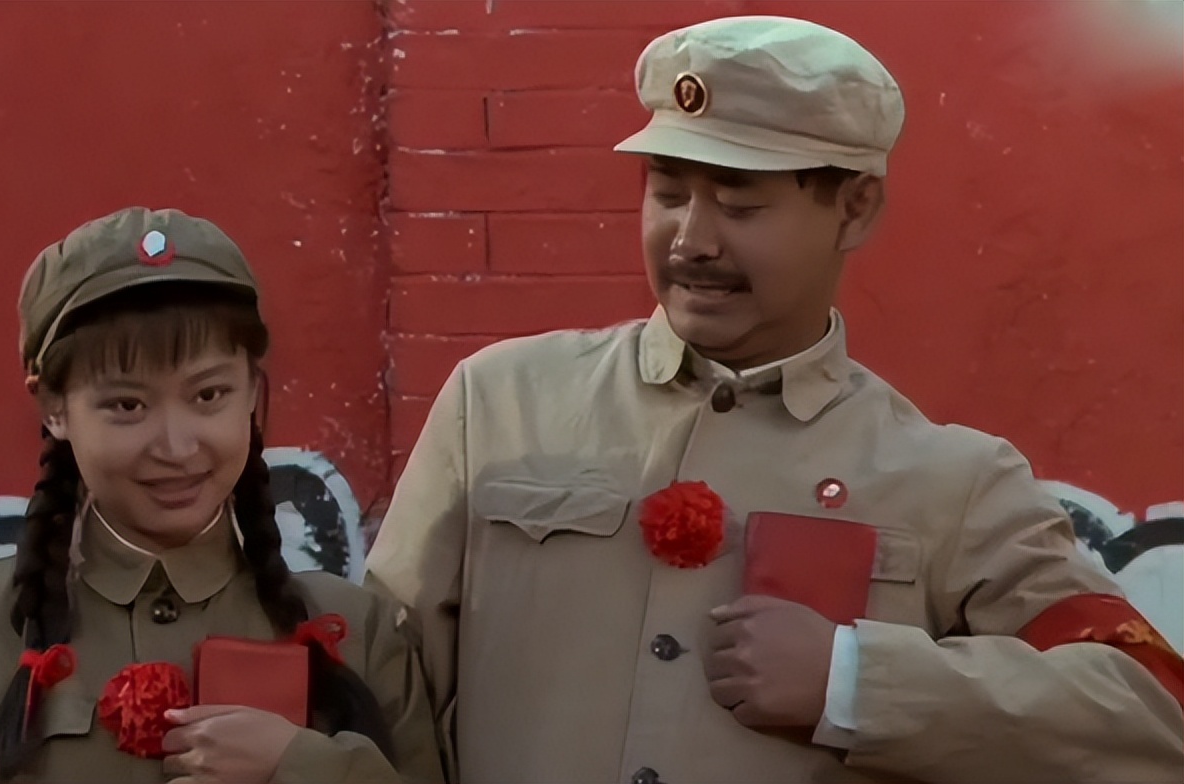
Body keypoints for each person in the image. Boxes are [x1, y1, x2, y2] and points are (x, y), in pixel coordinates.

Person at [365, 15, 1184, 784]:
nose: (692, 240)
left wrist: (852, 681)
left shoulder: (953, 484)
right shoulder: (499, 405)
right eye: (668, 192)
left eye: (740, 202)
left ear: (854, 208)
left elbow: (1152, 713)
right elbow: (381, 695)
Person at [0, 207, 444, 783]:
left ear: (251, 391)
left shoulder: (358, 633)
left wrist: (301, 765)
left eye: (209, 395)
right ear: (54, 408)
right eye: (128, 405)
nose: (176, 446)